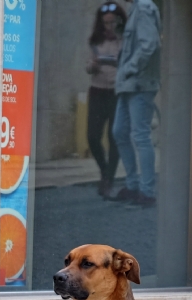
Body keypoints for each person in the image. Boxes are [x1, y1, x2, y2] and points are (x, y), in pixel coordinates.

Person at [111, 0, 161, 208]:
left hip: (139, 83)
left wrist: (131, 67)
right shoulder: (135, 10)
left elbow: (150, 44)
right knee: (119, 131)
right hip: (128, 85)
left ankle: (146, 191)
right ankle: (132, 186)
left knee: (140, 135)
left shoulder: (144, 8)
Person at [85, 3, 126, 198]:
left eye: (112, 22)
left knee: (114, 137)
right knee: (93, 136)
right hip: (98, 91)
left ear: (119, 21)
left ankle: (108, 180)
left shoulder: (125, 40)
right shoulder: (95, 40)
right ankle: (104, 171)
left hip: (117, 93)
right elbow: (88, 65)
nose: (108, 26)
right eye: (105, 23)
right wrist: (92, 65)